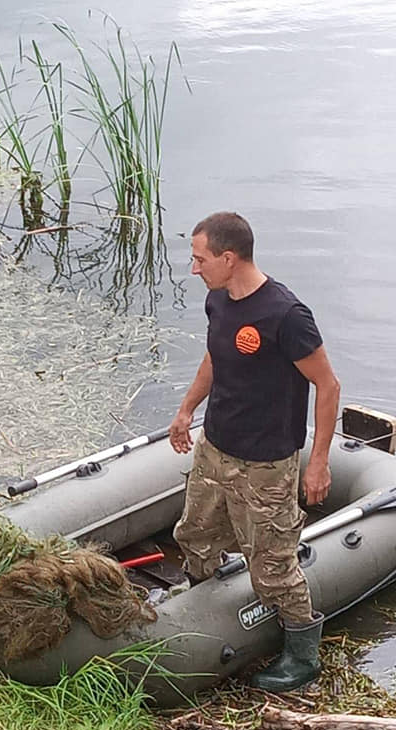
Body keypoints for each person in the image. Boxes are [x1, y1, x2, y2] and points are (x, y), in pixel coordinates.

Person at [169, 211, 340, 692]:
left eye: (200, 259)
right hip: (215, 448)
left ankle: (303, 656)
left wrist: (319, 461)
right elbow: (213, 358)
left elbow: (327, 385)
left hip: (265, 464)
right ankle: (198, 610)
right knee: (195, 534)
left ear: (229, 257)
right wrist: (186, 410)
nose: (194, 267)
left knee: (273, 566)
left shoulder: (286, 315)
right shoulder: (218, 302)